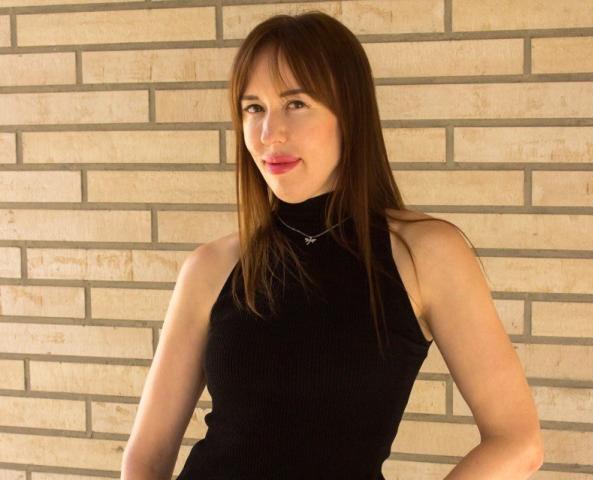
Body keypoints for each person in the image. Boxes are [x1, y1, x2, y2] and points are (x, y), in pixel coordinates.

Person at [120, 11, 544, 480]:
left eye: (295, 103)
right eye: (254, 108)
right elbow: (146, 457)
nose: (269, 133)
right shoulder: (212, 266)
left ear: (350, 112)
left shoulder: (424, 253)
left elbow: (517, 441)